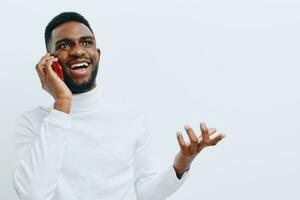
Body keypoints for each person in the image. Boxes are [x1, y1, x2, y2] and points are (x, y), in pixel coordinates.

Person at [12, 12, 225, 200]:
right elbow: (33, 195)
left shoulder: (130, 118)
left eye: (86, 42)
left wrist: (181, 165)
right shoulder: (33, 123)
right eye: (64, 45)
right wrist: (62, 103)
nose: (78, 51)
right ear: (48, 62)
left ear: (98, 54)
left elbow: (144, 194)